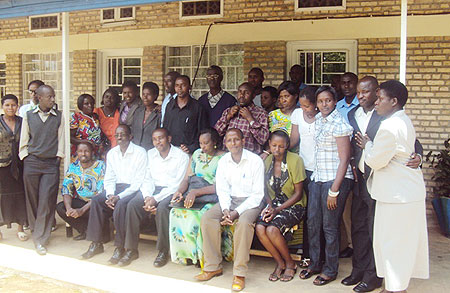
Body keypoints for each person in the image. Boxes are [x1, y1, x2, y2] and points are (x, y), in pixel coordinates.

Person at [344, 76, 423, 293]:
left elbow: (408, 147)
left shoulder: (389, 123)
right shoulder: (352, 114)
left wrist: (369, 146)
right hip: (363, 182)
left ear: (392, 100)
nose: (363, 96)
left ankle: (377, 278)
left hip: (389, 189)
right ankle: (359, 270)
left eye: (373, 95)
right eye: (359, 92)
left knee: (383, 237)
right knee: (361, 228)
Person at [195, 128, 264, 292]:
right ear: (225, 143)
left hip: (250, 202)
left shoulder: (255, 161)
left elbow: (257, 195)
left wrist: (236, 213)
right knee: (208, 218)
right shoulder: (224, 161)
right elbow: (222, 189)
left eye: (236, 140)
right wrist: (226, 209)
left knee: (244, 223)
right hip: (230, 201)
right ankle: (213, 266)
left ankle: (239, 273)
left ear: (243, 140)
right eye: (229, 140)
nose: (233, 143)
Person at [299, 86, 354, 286]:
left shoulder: (339, 123)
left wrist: (334, 190)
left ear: (335, 101)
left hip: (335, 180)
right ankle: (314, 263)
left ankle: (330, 269)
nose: (324, 104)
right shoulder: (320, 121)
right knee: (313, 222)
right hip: (318, 178)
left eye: (328, 100)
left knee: (330, 226)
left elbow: (345, 158)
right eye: (320, 101)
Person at [81, 125, 147, 263]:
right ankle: (96, 243)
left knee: (121, 205)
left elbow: (138, 182)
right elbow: (109, 178)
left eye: (123, 134)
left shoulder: (140, 153)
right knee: (97, 201)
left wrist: (118, 197)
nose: (120, 137)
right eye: (117, 135)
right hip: (115, 188)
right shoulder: (112, 153)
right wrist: (110, 194)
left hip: (133, 189)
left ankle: (121, 247)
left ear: (130, 136)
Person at [124, 128, 189, 267]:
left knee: (163, 209)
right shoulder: (150, 154)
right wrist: (148, 196)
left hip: (171, 191)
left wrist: (156, 199)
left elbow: (176, 184)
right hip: (152, 189)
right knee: (133, 205)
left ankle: (163, 251)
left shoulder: (181, 156)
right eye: (154, 139)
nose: (157, 142)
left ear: (169, 139)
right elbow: (146, 178)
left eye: (161, 138)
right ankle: (131, 249)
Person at [169, 128, 226, 267]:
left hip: (212, 197)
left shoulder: (224, 158)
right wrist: (180, 191)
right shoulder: (196, 154)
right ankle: (187, 255)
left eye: (206, 143)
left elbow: (221, 187)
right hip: (194, 195)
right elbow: (187, 179)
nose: (203, 147)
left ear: (215, 142)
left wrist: (195, 193)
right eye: (200, 143)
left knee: (199, 215)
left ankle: (201, 256)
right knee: (175, 212)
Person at [19, 85, 65, 255]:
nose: (53, 99)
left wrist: (58, 158)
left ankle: (41, 239)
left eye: (53, 96)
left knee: (47, 201)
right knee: (33, 202)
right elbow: (24, 139)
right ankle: (37, 233)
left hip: (50, 165)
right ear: (39, 98)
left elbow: (61, 140)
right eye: (50, 97)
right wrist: (25, 156)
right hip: (32, 163)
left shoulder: (59, 116)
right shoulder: (29, 116)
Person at [256, 130, 307, 282]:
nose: (277, 149)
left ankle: (290, 263)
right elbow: (264, 189)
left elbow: (298, 193)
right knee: (259, 228)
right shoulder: (267, 161)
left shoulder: (295, 160)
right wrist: (270, 206)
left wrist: (277, 210)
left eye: (281, 146)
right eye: (274, 145)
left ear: (287, 146)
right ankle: (279, 263)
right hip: (273, 204)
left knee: (272, 229)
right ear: (269, 145)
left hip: (294, 204)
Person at [290, 85, 319, 267]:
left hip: (320, 171)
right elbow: (294, 140)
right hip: (303, 168)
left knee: (316, 215)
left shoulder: (324, 117)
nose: (304, 109)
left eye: (307, 106)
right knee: (307, 212)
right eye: (301, 105)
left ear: (316, 105)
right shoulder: (297, 115)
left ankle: (317, 255)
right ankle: (307, 254)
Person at [56, 142, 105, 241]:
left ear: (92, 152)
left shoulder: (100, 166)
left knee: (103, 238)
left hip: (97, 205)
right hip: (82, 202)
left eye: (86, 151)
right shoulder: (73, 167)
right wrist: (69, 209)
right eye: (80, 151)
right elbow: (66, 189)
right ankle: (85, 231)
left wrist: (82, 210)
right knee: (61, 207)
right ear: (76, 153)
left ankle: (96, 231)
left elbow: (101, 193)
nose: (83, 154)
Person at [336, 72, 359, 259]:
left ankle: (359, 244)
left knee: (358, 208)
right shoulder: (337, 107)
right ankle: (348, 244)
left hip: (360, 161)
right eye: (343, 83)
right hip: (340, 162)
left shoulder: (364, 106)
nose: (346, 86)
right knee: (344, 208)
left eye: (350, 82)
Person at [0, 94, 28, 241]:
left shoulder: (23, 122)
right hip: (2, 165)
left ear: (17, 106)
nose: (10, 108)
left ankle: (20, 227)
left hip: (19, 165)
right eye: (7, 105)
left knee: (20, 195)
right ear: (2, 106)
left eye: (13, 105)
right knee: (1, 197)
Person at [215, 82, 269, 154]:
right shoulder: (229, 111)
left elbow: (263, 139)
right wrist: (227, 117)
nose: (242, 95)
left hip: (250, 159)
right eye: (240, 92)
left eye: (246, 93)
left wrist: (250, 119)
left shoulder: (261, 113)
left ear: (253, 96)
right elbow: (215, 134)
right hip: (229, 157)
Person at [163, 75, 209, 154]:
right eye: (177, 85)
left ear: (190, 87)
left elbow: (202, 130)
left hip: (189, 152)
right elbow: (165, 127)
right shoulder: (170, 105)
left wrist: (192, 147)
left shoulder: (197, 107)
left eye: (183, 85)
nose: (179, 88)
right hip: (171, 150)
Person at [70, 94, 103, 161]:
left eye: (91, 103)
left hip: (95, 154)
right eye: (86, 104)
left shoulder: (95, 117)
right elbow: (70, 138)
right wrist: (85, 142)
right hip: (81, 155)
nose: (90, 106)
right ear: (81, 106)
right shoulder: (76, 117)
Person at [131, 82, 161, 150]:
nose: (145, 97)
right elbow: (133, 131)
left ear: (155, 96)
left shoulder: (159, 113)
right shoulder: (138, 111)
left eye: (148, 94)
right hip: (137, 150)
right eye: (143, 94)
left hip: (152, 150)